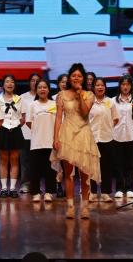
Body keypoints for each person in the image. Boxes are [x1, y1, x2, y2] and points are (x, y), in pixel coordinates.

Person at [51, 63, 101, 219]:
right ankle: (70, 206)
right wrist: (55, 138)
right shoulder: (62, 95)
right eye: (73, 75)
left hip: (83, 134)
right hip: (67, 134)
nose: (76, 78)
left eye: (79, 76)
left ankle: (85, 207)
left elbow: (85, 113)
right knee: (69, 173)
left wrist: (79, 95)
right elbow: (58, 117)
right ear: (69, 78)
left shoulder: (89, 95)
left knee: (85, 173)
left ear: (83, 78)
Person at [89, 76, 120, 201]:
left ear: (105, 87)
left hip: (107, 138)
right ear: (93, 87)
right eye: (97, 85)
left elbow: (116, 118)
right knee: (91, 166)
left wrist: (108, 127)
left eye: (102, 85)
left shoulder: (110, 102)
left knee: (106, 166)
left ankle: (106, 192)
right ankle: (92, 192)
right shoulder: (89, 102)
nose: (100, 87)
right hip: (92, 138)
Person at [26, 79, 56, 202]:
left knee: (50, 169)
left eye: (44, 87)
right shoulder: (32, 105)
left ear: (48, 89)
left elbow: (59, 122)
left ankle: (49, 192)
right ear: (36, 90)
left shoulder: (54, 104)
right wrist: (38, 131)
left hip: (51, 141)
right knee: (35, 169)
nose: (42, 89)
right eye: (40, 87)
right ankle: (36, 192)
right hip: (36, 142)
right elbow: (28, 122)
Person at [0, 74, 25, 198]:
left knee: (14, 159)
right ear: (3, 85)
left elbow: (23, 117)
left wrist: (15, 125)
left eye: (12, 82)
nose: (10, 84)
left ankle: (12, 188)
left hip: (16, 130)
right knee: (3, 160)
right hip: (2, 130)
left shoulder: (19, 99)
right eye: (7, 81)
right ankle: (3, 188)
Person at [111, 75, 133, 199]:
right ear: (120, 86)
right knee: (118, 164)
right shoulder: (113, 101)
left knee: (130, 164)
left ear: (131, 86)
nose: (125, 87)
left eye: (128, 84)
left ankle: (129, 188)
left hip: (131, 135)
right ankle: (119, 188)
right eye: (123, 84)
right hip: (116, 135)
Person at [18, 72, 42, 195]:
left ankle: (36, 185)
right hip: (25, 134)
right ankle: (25, 184)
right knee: (25, 161)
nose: (35, 82)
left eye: (37, 80)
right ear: (29, 82)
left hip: (40, 135)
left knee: (37, 162)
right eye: (33, 80)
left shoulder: (43, 96)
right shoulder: (22, 97)